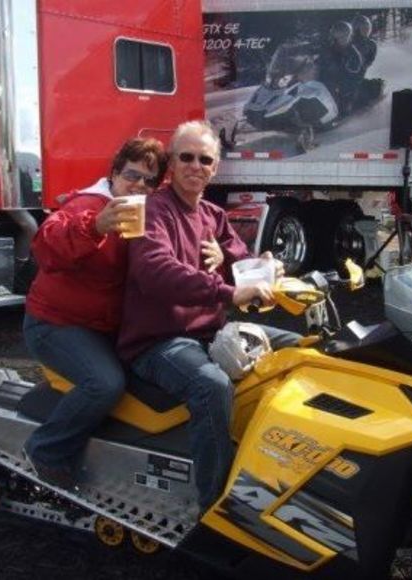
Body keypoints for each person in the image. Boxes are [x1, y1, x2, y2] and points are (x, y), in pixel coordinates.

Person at [117, 120, 300, 511]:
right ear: (171, 163)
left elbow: (241, 261)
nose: (195, 166)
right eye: (186, 157)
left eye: (205, 159)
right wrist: (228, 290)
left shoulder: (214, 215)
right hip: (158, 341)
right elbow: (154, 271)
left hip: (209, 332)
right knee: (211, 386)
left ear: (215, 168)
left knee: (301, 351)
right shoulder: (151, 211)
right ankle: (216, 509)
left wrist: (266, 266)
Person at [23, 137, 168, 487]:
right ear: (114, 174)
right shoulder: (89, 204)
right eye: (132, 175)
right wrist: (95, 226)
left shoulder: (148, 215)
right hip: (54, 323)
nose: (139, 185)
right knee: (105, 384)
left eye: (149, 181)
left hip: (100, 327)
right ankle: (46, 450)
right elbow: (44, 247)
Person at [317, 21, 363, 116]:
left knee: (341, 93)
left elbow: (356, 67)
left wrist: (345, 65)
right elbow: (320, 60)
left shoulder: (352, 52)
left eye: (344, 36)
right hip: (328, 78)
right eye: (338, 37)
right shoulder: (330, 49)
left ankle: (342, 112)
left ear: (348, 36)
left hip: (345, 81)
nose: (341, 39)